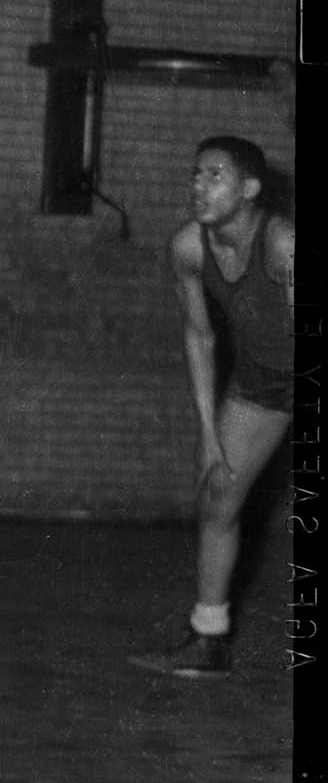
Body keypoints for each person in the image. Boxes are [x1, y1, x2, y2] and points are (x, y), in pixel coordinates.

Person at [129, 136, 293, 679]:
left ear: (249, 189)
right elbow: (200, 337)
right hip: (263, 383)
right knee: (218, 496)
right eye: (195, 175)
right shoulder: (188, 247)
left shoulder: (283, 244)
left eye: (214, 176)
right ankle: (208, 639)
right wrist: (209, 432)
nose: (198, 187)